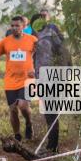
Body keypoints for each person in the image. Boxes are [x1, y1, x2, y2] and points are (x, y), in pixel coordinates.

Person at [0, 15, 37, 141]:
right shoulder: (5, 42)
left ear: (23, 26)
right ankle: (17, 134)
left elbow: (41, 55)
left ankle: (28, 123)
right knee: (13, 110)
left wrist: (36, 70)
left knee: (23, 105)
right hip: (10, 81)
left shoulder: (32, 40)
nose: (14, 28)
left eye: (17, 26)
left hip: (27, 79)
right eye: (12, 26)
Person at [33, 18, 70, 152]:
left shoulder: (55, 45)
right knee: (49, 113)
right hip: (44, 80)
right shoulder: (40, 42)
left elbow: (66, 63)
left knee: (51, 113)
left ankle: (52, 146)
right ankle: (52, 144)